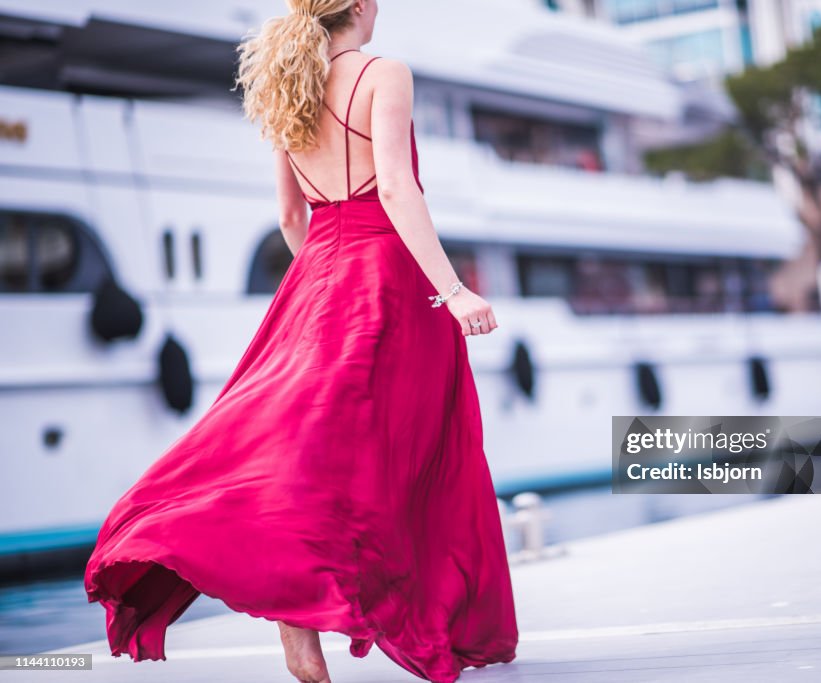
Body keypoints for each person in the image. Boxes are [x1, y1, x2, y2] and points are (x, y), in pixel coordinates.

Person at [82, 1, 520, 682]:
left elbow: (292, 215)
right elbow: (398, 190)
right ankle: (432, 615)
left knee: (302, 449)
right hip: (390, 279)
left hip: (317, 276)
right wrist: (454, 289)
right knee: (416, 452)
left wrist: (328, 274)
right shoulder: (384, 72)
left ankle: (299, 627)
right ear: (363, 7)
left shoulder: (293, 82)